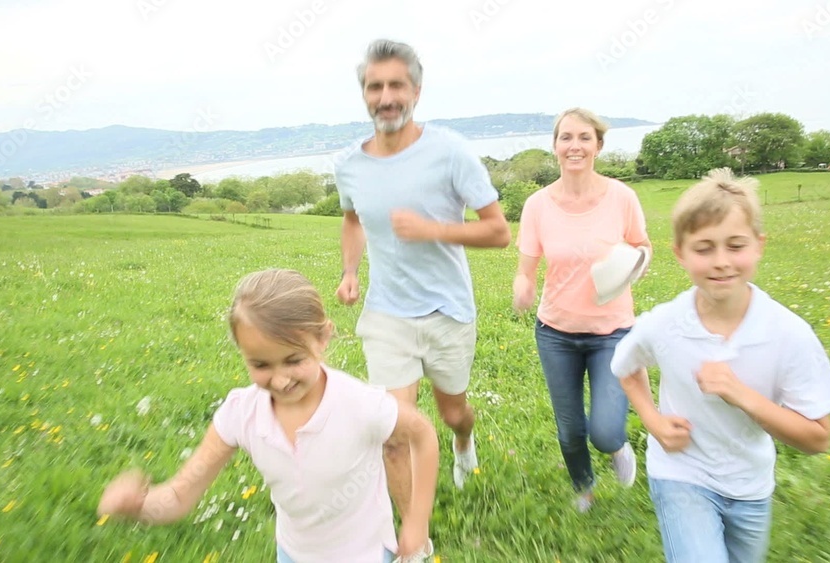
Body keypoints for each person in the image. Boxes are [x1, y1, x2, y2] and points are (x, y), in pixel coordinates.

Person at [97, 269, 440, 563]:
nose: (279, 380)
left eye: (293, 360)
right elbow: (180, 495)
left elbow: (423, 434)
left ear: (322, 338)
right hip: (292, 554)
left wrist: (416, 521)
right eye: (260, 365)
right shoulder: (240, 414)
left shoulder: (360, 404)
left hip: (364, 554)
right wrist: (139, 507)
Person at [611, 168, 830, 562]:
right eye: (704, 249)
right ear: (680, 254)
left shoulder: (788, 333)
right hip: (680, 474)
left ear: (759, 245)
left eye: (735, 245)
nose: (721, 262)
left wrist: (742, 395)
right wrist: (651, 420)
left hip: (750, 484)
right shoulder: (665, 323)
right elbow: (625, 366)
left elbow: (817, 438)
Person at [333, 38, 511, 513]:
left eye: (396, 85)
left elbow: (499, 233)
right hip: (386, 314)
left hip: (447, 311)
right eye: (375, 86)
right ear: (364, 94)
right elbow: (352, 219)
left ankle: (462, 441)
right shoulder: (349, 165)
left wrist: (432, 229)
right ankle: (415, 538)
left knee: (453, 413)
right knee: (394, 432)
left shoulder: (450, 152)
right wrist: (350, 271)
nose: (385, 96)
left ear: (416, 91)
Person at [512, 107, 650, 511]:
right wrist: (523, 288)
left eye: (584, 137)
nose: (575, 145)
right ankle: (584, 487)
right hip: (556, 333)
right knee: (571, 430)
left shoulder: (622, 197)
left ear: (598, 146)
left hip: (613, 332)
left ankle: (618, 449)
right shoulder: (537, 205)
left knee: (605, 432)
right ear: (555, 147)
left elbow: (643, 247)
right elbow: (526, 270)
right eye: (566, 137)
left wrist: (627, 267)